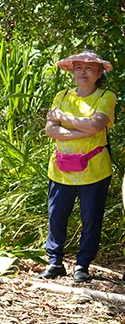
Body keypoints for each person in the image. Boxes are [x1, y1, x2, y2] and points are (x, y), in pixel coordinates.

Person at [41, 51, 115, 282]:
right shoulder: (62, 95)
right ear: (72, 71)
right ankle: (55, 263)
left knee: (91, 218)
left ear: (99, 73)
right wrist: (80, 129)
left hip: (94, 169)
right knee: (56, 216)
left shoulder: (106, 96)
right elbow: (50, 130)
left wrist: (64, 119)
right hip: (60, 168)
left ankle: (82, 265)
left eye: (89, 68)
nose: (83, 72)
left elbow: (96, 124)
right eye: (79, 68)